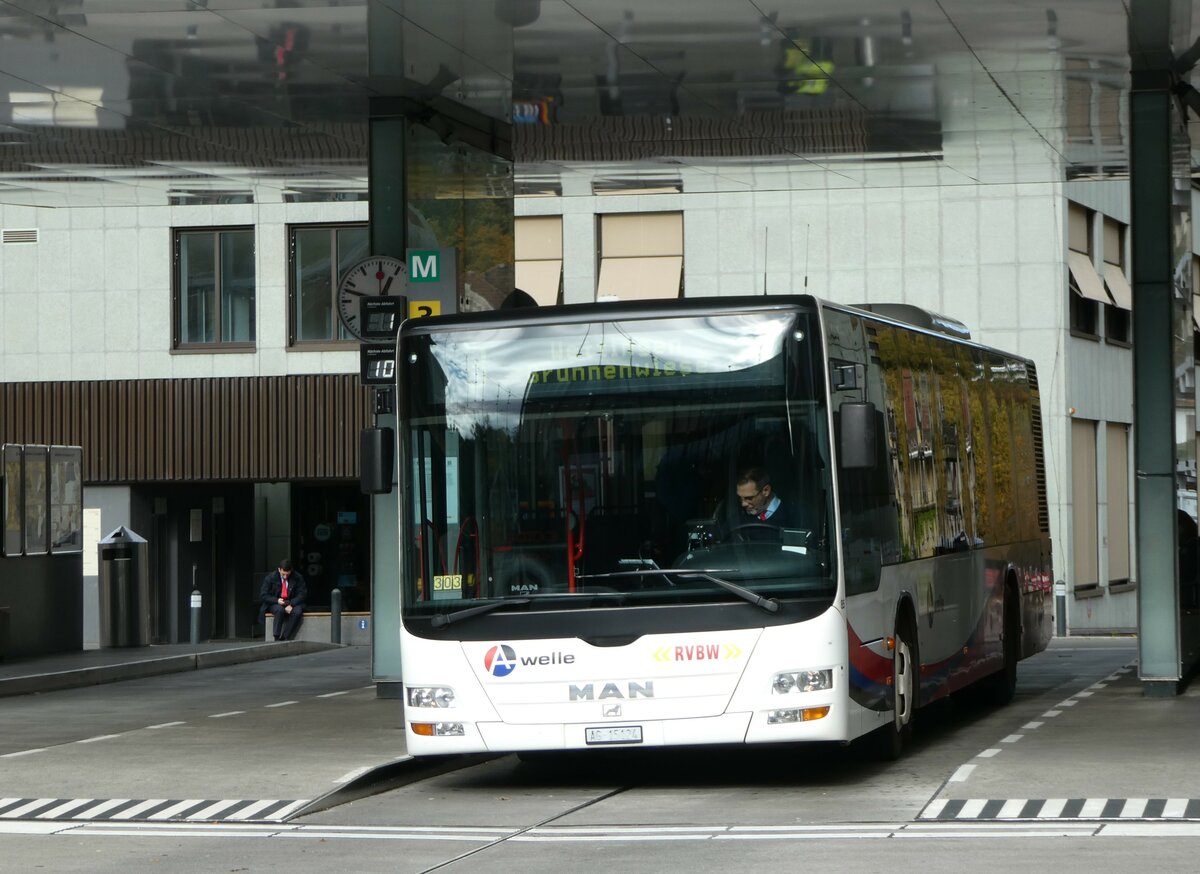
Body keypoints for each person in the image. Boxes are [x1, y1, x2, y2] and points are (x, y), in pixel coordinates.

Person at [732, 466, 802, 535]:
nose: (743, 504)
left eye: (749, 498)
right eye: (740, 498)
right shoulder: (738, 515)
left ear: (766, 491)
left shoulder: (794, 516)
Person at [260, 559, 307, 641]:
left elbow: (302, 594)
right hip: (275, 602)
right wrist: (277, 600)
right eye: (283, 574)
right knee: (279, 610)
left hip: (291, 602)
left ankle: (285, 637)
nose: (285, 577)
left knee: (297, 612)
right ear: (279, 569)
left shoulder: (298, 577)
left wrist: (290, 604)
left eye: (287, 574)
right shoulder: (270, 578)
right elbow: (264, 595)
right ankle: (276, 637)